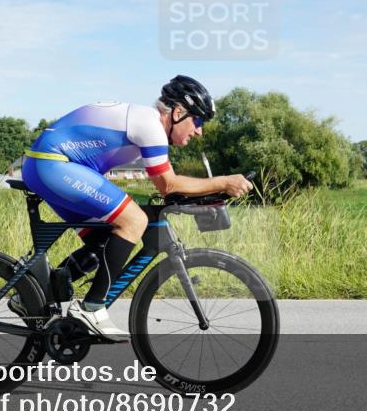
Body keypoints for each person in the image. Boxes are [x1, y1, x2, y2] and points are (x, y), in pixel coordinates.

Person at [18, 75, 253, 340]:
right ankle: (91, 309)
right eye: (197, 121)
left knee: (106, 240)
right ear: (178, 113)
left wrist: (210, 192)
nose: (199, 131)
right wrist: (223, 182)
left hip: (49, 166)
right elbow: (169, 186)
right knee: (133, 221)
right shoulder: (151, 126)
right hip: (52, 164)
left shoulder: (146, 124)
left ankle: (33, 294)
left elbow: (166, 186)